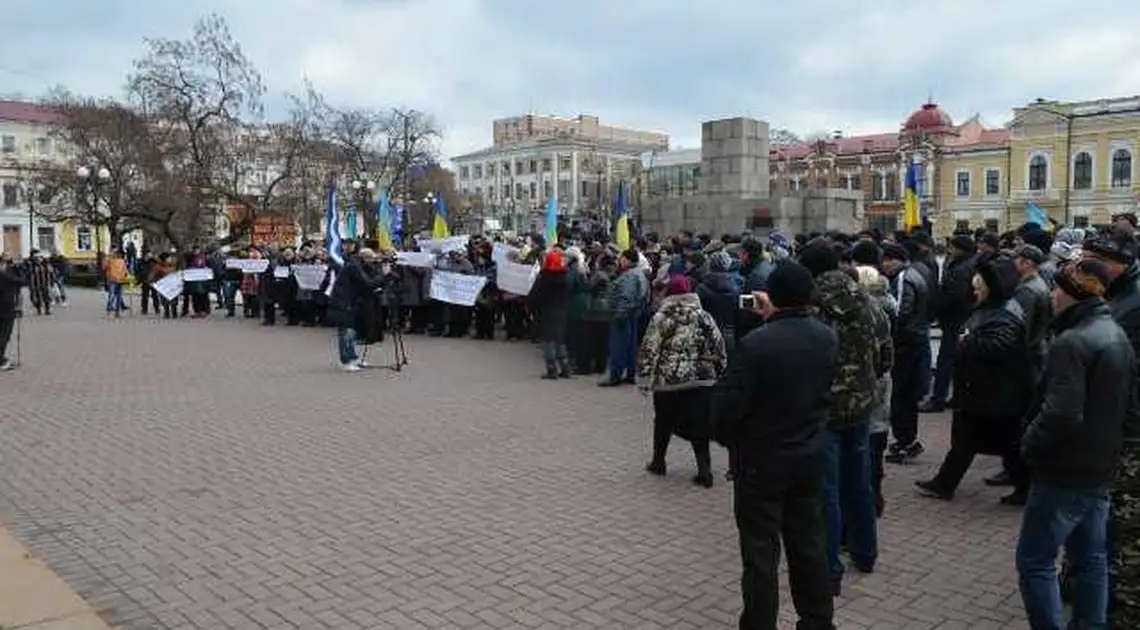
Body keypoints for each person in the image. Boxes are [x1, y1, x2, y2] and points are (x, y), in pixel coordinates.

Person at [712, 262, 839, 630]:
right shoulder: (826, 336)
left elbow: (727, 409)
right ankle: (817, 620)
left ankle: (759, 623)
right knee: (809, 545)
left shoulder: (756, 344)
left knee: (760, 553)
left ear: (772, 296)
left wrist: (731, 438)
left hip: (762, 461)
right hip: (809, 455)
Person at [1016, 259, 1134, 629]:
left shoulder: (1073, 341)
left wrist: (1029, 445)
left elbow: (1062, 413)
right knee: (1090, 557)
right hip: (1099, 464)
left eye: (1057, 289)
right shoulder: (1113, 332)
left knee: (1035, 560)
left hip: (1064, 470)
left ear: (1071, 294)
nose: (1051, 295)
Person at [799, 240, 889, 595]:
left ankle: (830, 568)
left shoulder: (810, 308)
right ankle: (865, 553)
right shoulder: (870, 302)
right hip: (862, 407)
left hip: (824, 409)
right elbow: (885, 358)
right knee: (860, 483)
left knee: (827, 490)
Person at [914, 257, 1034, 502]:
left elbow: (996, 347)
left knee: (1005, 445)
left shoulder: (1003, 315)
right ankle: (944, 484)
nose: (974, 291)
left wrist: (967, 341)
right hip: (985, 393)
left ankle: (1024, 488)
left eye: (979, 287)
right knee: (972, 442)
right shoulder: (991, 310)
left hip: (995, 395)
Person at [638, 275, 727, 488]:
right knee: (700, 424)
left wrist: (644, 377)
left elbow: (649, 349)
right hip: (701, 379)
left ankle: (659, 461)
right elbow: (718, 344)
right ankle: (704, 470)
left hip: (669, 381)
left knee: (663, 420)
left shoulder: (661, 318)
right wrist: (721, 370)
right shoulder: (704, 316)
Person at [881, 242, 930, 464]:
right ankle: (909, 439)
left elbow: (902, 310)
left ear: (899, 259)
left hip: (905, 342)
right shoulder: (916, 273)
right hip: (917, 339)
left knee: (899, 394)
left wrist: (893, 334)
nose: (885, 264)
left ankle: (904, 440)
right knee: (908, 394)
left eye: (889, 260)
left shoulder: (903, 279)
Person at [325, 248, 381, 372]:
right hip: (345, 303)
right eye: (371, 259)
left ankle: (353, 357)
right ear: (365, 258)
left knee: (353, 332)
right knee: (346, 332)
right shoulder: (353, 267)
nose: (373, 262)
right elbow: (368, 283)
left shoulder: (355, 265)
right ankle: (345, 360)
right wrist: (383, 275)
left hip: (351, 303)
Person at [599, 249, 647, 386]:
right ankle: (630, 374)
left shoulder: (629, 276)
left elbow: (626, 297)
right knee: (630, 347)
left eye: (621, 258)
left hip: (623, 315)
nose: (619, 261)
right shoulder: (639, 273)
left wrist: (619, 314)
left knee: (618, 347)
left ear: (626, 259)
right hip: (633, 314)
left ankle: (615, 376)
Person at [529, 249, 572, 379]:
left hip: (546, 312)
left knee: (548, 341)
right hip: (562, 311)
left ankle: (551, 369)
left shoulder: (544, 278)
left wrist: (531, 308)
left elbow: (534, 296)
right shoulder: (566, 277)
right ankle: (565, 368)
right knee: (560, 340)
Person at [0, 254, 24, 371]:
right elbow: (22, 280)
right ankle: (1, 361)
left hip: (6, 307)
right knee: (4, 335)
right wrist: (18, 268)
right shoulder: (6, 275)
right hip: (6, 309)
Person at [103, 248, 129, 317]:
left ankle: (117, 311)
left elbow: (125, 270)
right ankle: (109, 309)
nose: (116, 255)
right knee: (112, 295)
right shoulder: (110, 261)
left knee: (118, 296)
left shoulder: (122, 261)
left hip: (120, 280)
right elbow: (105, 268)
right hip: (113, 280)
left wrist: (127, 277)